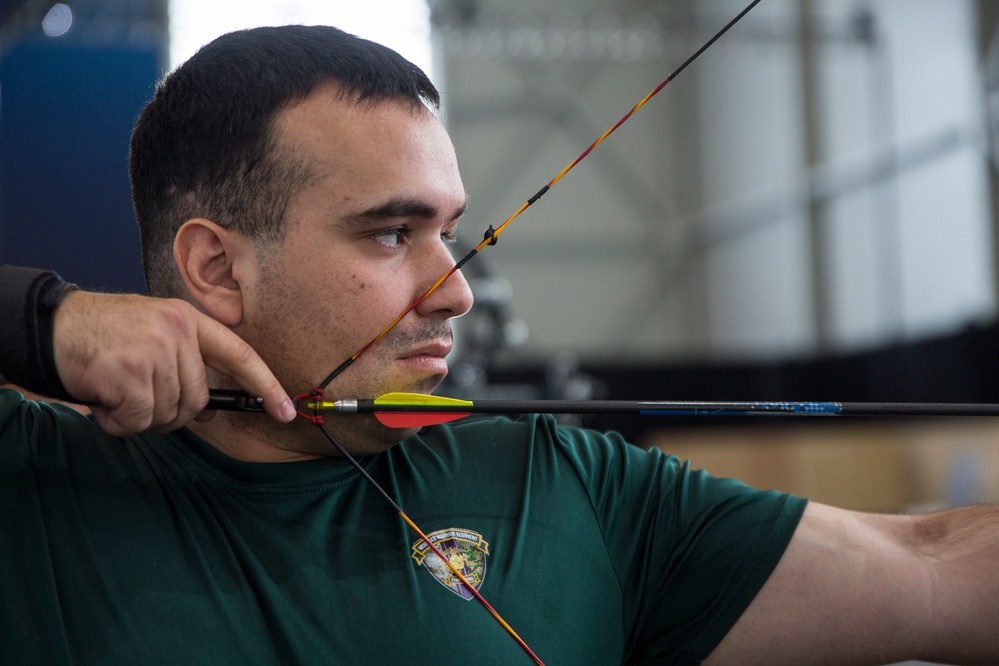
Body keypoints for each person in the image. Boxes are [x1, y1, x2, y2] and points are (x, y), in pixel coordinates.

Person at [0, 25, 997, 666]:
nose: (455, 289)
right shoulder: (39, 481)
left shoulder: (564, 488)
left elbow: (934, 564)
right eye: (391, 234)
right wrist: (47, 318)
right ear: (215, 269)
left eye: (450, 230)